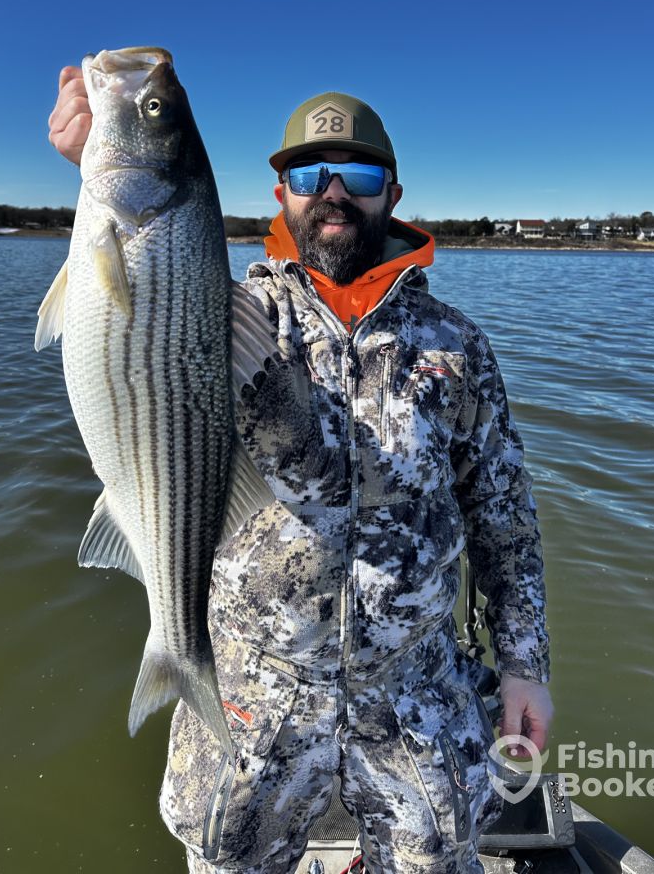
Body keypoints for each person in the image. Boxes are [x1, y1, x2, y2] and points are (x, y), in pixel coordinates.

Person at [49, 71, 554, 874]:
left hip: (418, 699)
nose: (333, 193)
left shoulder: (457, 345)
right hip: (250, 692)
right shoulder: (227, 313)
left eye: (357, 175)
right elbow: (136, 296)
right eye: (309, 174)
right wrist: (100, 164)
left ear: (392, 193)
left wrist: (524, 665)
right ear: (280, 193)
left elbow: (504, 516)